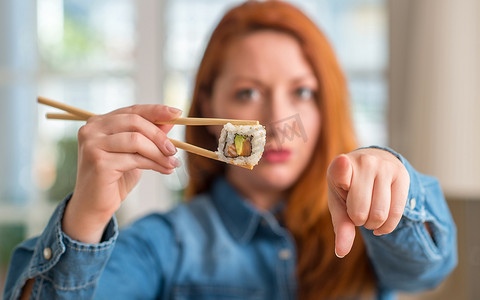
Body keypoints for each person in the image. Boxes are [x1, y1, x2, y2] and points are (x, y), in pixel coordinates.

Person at [4, 1, 456, 299]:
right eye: (246, 93)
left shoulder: (359, 230)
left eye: (301, 93)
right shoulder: (166, 244)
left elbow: (427, 270)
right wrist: (85, 218)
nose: (276, 123)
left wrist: (396, 185)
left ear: (326, 106)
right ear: (209, 107)